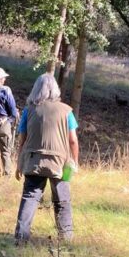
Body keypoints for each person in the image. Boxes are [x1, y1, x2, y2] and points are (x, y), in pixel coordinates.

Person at [14, 73, 79, 244]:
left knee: (30, 196)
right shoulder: (67, 111)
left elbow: (22, 140)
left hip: (34, 159)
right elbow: (73, 140)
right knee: (62, 199)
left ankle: (21, 237)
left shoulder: (29, 110)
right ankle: (66, 238)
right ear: (55, 89)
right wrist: (75, 161)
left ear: (36, 89)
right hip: (60, 162)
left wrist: (19, 164)